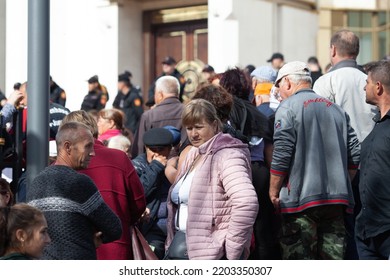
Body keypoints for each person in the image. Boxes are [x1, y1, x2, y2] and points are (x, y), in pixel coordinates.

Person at [269, 61, 360, 260]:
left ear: (287, 83)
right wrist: (342, 181)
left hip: (300, 203)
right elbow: (354, 153)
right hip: (336, 200)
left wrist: (273, 191)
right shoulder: (336, 109)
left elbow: (282, 153)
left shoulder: (287, 108)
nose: (279, 93)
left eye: (278, 88)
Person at [165, 99, 258, 260]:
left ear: (215, 125)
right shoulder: (195, 153)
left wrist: (232, 249)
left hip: (212, 254)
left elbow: (246, 202)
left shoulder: (228, 155)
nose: (193, 134)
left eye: (199, 127)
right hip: (184, 247)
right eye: (189, 128)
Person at [313, 29, 377, 259]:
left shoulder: (325, 82)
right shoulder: (371, 81)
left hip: (339, 169)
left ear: (332, 50)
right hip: (373, 166)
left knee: (345, 231)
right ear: (357, 52)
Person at [27, 122, 122, 259]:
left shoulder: (36, 183)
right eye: (88, 146)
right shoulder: (79, 183)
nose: (93, 153)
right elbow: (114, 228)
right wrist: (91, 237)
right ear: (68, 147)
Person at [61, 110, 146, 260]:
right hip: (117, 247)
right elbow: (138, 203)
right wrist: (123, 221)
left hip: (74, 250)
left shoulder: (61, 167)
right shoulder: (119, 158)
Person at [355, 60, 390, 259]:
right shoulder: (377, 123)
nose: (363, 87)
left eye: (367, 82)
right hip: (367, 232)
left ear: (378, 87)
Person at [132, 127, 175, 259]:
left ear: (170, 149)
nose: (156, 154)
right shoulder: (137, 166)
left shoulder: (175, 165)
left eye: (161, 150)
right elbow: (138, 192)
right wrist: (156, 167)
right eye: (152, 150)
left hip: (173, 229)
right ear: (146, 148)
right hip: (150, 229)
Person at [132, 75, 186, 158]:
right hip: (184, 165)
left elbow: (139, 149)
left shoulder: (149, 116)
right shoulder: (189, 111)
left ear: (160, 94)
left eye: (155, 94)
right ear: (178, 93)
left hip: (155, 166)